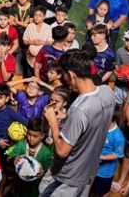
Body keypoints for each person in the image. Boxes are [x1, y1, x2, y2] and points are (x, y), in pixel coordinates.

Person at [41, 50, 115, 197]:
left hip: (69, 176)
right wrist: (68, 119)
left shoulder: (80, 109)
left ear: (72, 74)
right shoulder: (107, 92)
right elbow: (90, 125)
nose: (65, 81)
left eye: (65, 76)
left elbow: (62, 151)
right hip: (90, 171)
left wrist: (54, 123)